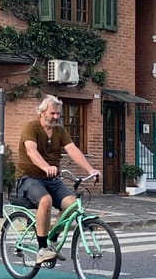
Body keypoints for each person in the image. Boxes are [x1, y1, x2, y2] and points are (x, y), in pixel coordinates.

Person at [15, 94, 100, 263]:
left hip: (51, 179)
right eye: (52, 113)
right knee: (45, 200)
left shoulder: (60, 131)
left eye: (58, 114)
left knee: (72, 205)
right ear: (42, 112)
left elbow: (73, 150)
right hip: (28, 178)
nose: (56, 117)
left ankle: (52, 239)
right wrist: (45, 166)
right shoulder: (30, 127)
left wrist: (90, 169)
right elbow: (31, 151)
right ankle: (42, 249)